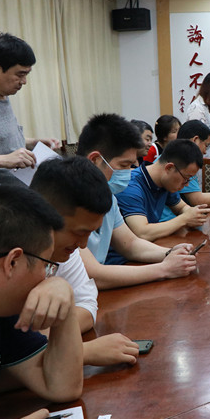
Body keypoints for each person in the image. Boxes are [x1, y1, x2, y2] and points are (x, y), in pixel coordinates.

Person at [0, 181, 83, 419]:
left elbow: (62, 386)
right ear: (13, 261)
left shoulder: (2, 311)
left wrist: (64, 294)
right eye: (46, 265)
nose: (46, 277)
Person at [30, 158, 140, 367]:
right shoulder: (9, 255)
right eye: (79, 233)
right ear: (42, 215)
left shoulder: (63, 250)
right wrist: (81, 352)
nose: (82, 245)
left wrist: (44, 334)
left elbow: (87, 306)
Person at [76, 114, 196, 289]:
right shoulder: (65, 200)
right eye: (124, 165)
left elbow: (130, 244)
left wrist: (171, 252)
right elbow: (92, 275)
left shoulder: (108, 195)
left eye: (131, 165)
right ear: (95, 160)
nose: (129, 172)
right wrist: (164, 269)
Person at [118, 139, 210, 242]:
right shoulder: (130, 186)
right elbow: (142, 233)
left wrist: (193, 214)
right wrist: (185, 219)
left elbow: (181, 207)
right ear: (169, 168)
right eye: (186, 178)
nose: (187, 184)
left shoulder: (165, 183)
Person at [0, 33, 61, 170]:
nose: (24, 81)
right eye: (20, 75)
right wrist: (3, 160)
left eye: (26, 75)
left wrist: (32, 143)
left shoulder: (2, 96)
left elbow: (0, 141)